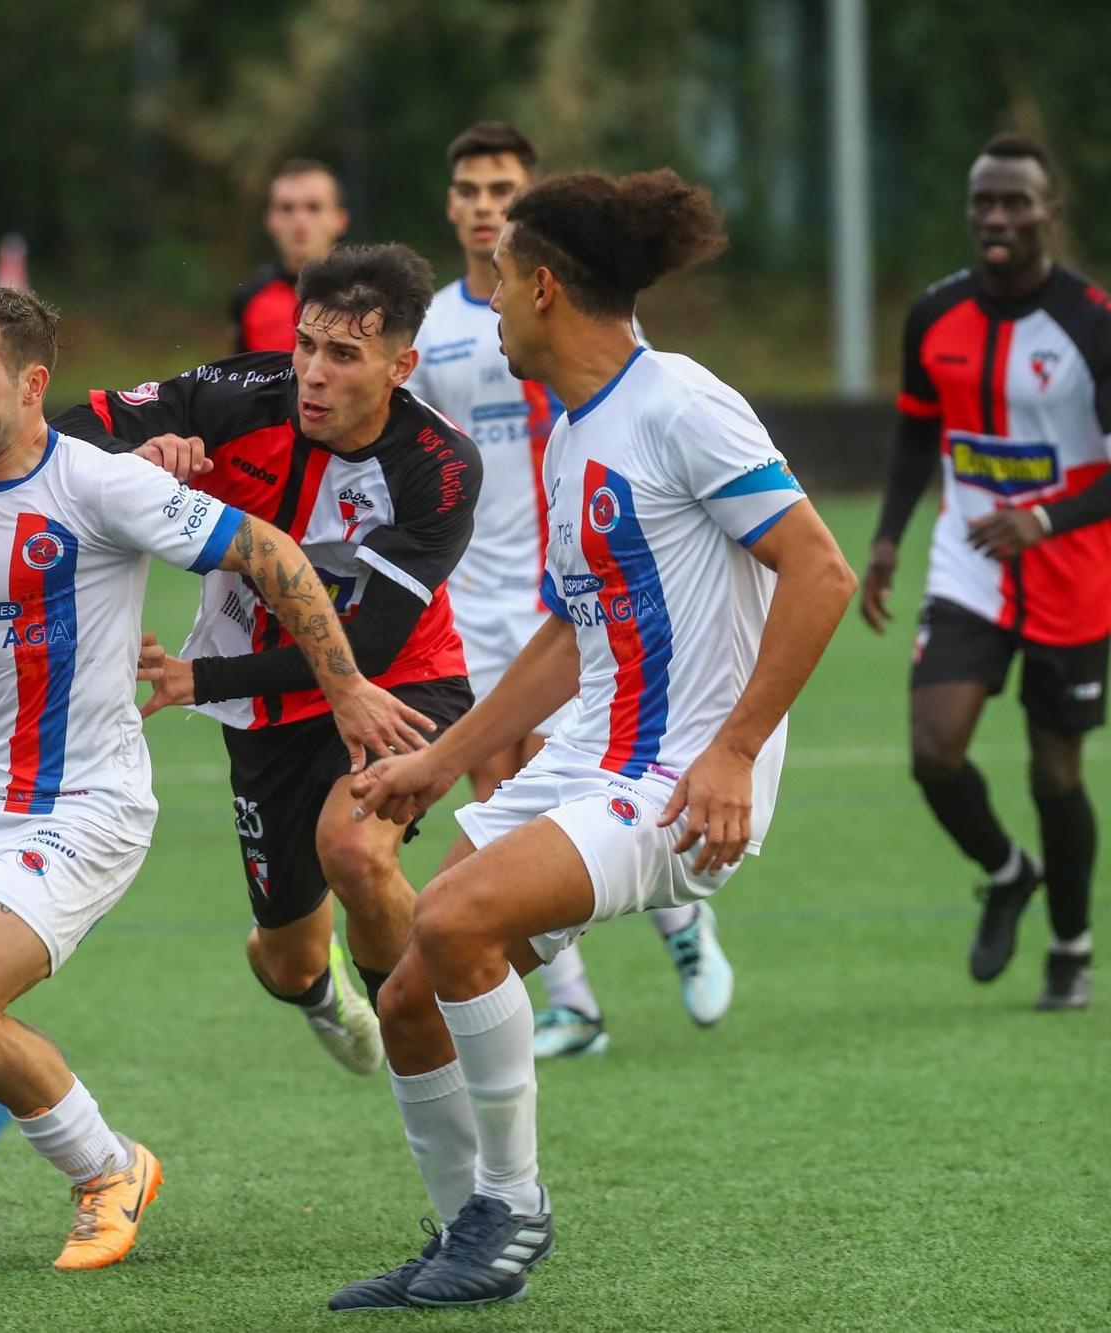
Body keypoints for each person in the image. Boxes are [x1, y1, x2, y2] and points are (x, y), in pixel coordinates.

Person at [0, 285, 428, 1274]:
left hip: (84, 808)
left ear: (33, 386)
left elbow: (270, 552)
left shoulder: (100, 485)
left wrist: (342, 689)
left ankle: (108, 1169)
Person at [328, 170, 856, 1310]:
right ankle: (462, 1229)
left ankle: (510, 1214)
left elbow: (818, 570)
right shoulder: (573, 431)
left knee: (456, 915)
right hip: (589, 757)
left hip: (676, 775)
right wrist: (438, 754)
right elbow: (571, 635)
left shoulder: (678, 402)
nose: (492, 302)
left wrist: (730, 750)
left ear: (543, 286)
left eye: (500, 280)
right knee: (410, 999)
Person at [52, 243, 479, 1079]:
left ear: (402, 366)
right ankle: (325, 994)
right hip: (266, 709)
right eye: (306, 344)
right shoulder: (235, 393)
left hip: (396, 685)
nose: (313, 373)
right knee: (285, 959)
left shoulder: (438, 466)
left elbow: (370, 648)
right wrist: (134, 464)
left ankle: (431, 1046)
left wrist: (197, 677)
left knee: (355, 850)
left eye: (344, 355)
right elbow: (57, 436)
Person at [407, 121, 735, 1059]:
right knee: (493, 779)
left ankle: (675, 921)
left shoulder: (639, 374)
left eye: (500, 187)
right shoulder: (438, 330)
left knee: (570, 779)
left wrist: (739, 748)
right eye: (467, 188)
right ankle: (575, 1004)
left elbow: (808, 565)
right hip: (489, 582)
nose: (481, 204)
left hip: (595, 599)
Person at [861, 132, 1109, 1011]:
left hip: (1075, 574)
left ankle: (1071, 948)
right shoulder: (935, 314)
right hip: (969, 561)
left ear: (1050, 212)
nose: (996, 217)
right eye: (983, 202)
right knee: (934, 752)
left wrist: (1044, 515)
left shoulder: (1091, 321)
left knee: (1056, 774)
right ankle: (1008, 873)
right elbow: (916, 435)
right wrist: (888, 538)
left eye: (1014, 202)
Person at [230, 159, 350, 353]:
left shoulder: (366, 295)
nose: (299, 220)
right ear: (270, 220)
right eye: (287, 208)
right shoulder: (250, 296)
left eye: (313, 207)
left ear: (340, 220)